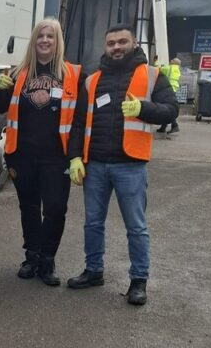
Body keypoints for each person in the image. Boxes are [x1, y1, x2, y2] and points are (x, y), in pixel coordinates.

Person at [66, 24, 178, 305]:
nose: (116, 47)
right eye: (111, 43)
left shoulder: (153, 76)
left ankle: (139, 281)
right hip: (96, 166)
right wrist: (75, 157)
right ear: (105, 47)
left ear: (134, 43)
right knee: (92, 223)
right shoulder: (92, 80)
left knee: (136, 226)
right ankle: (93, 271)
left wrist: (143, 108)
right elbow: (79, 123)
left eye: (122, 42)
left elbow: (171, 110)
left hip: (131, 165)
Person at [0, 18, 84, 286]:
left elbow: (79, 120)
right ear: (34, 41)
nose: (45, 40)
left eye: (50, 36)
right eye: (40, 36)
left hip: (57, 156)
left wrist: (76, 154)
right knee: (29, 207)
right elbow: (1, 107)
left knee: (55, 208)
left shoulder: (73, 74)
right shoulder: (19, 73)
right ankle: (31, 256)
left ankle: (47, 260)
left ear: (58, 41)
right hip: (23, 154)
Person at [157, 57, 182, 134]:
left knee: (166, 108)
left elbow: (158, 69)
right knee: (167, 107)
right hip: (174, 89)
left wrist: (156, 61)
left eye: (172, 60)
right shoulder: (177, 70)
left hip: (168, 89)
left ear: (174, 63)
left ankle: (174, 125)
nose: (171, 60)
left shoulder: (170, 68)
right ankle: (163, 127)